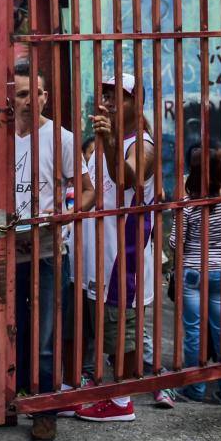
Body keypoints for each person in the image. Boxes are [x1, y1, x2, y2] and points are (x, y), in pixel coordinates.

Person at [9, 60, 94, 441]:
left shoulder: (60, 138)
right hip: (6, 252)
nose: (28, 101)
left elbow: (88, 190)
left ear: (45, 96)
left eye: (34, 93)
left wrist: (65, 214)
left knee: (45, 335)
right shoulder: (1, 136)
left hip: (46, 251)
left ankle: (45, 410)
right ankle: (12, 401)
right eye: (21, 93)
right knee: (11, 331)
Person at [77, 72, 156, 422]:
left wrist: (108, 143)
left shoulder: (142, 144)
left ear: (135, 102)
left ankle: (121, 401)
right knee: (105, 325)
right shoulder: (105, 139)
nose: (108, 102)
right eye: (105, 95)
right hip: (99, 252)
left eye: (117, 96)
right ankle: (106, 389)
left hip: (123, 257)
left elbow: (127, 179)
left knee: (120, 327)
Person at [171, 142, 221, 405]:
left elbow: (176, 242)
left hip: (192, 272)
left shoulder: (186, 204)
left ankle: (194, 390)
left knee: (193, 332)